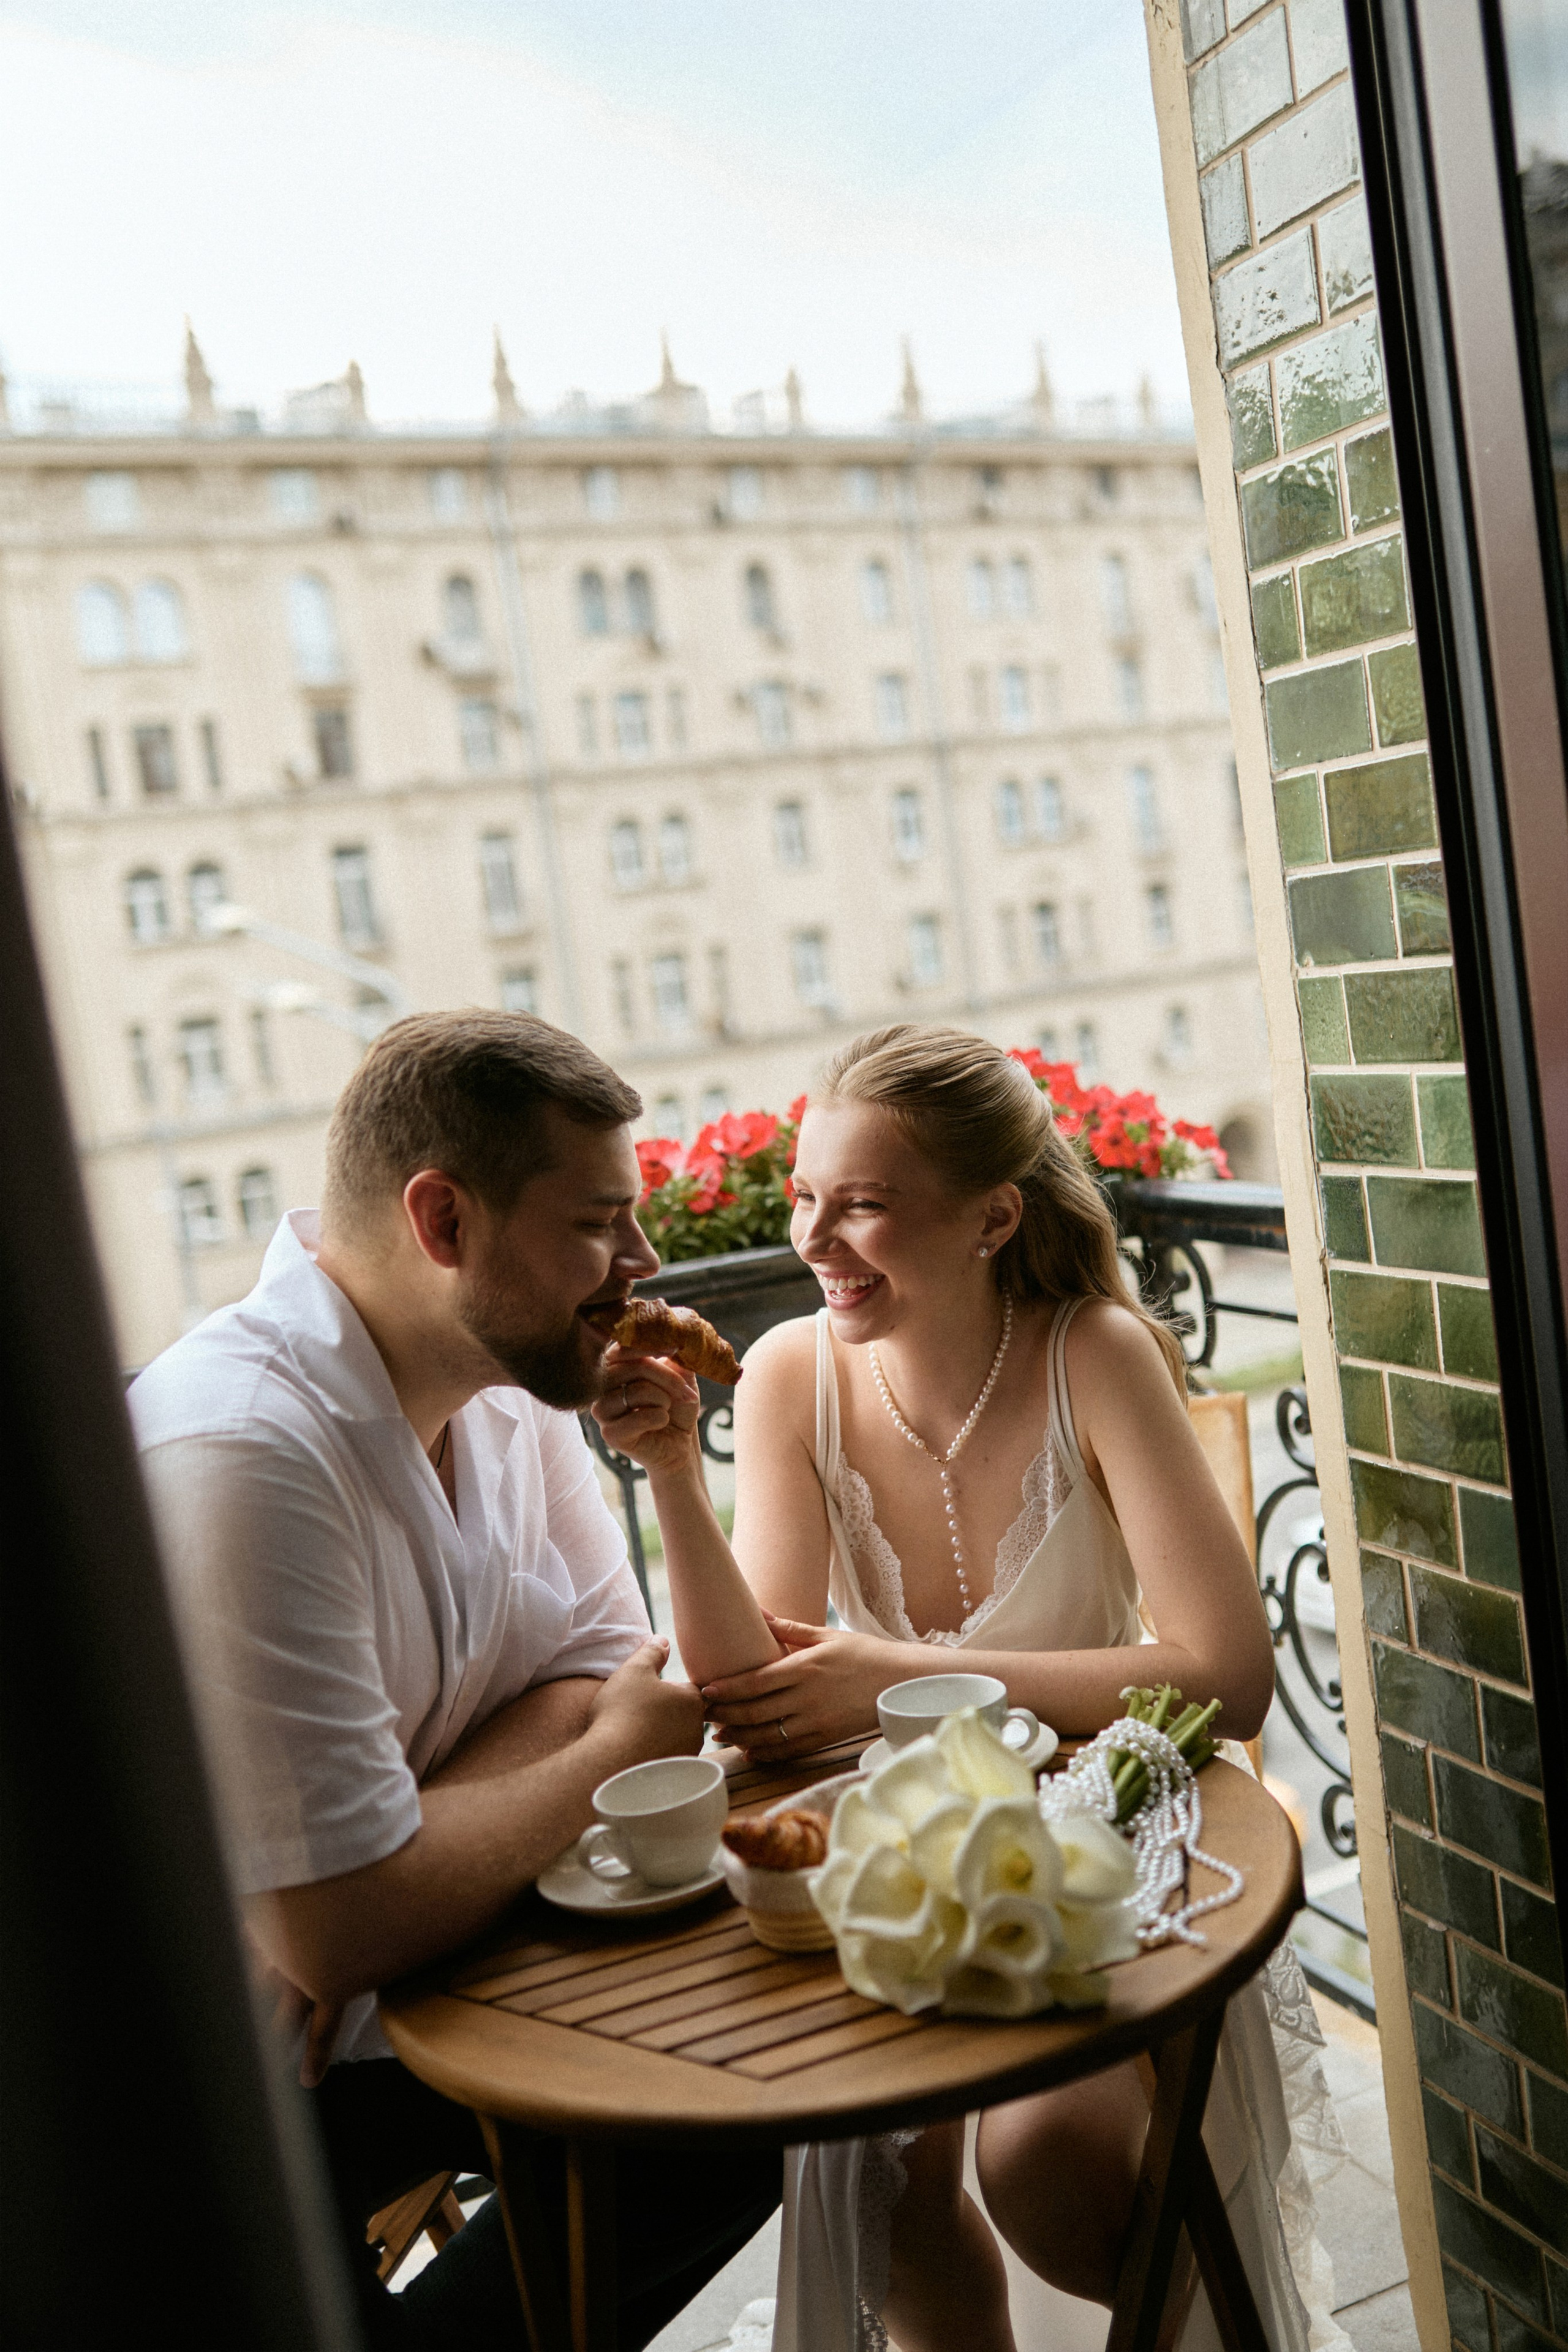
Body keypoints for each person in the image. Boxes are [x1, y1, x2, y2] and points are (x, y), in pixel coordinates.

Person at [600, 1024, 1349, 2352]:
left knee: (1047, 2166)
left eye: (863, 1204)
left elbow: (1226, 1682)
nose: (813, 1238)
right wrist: (669, 1473)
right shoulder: (789, 1377)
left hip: (1116, 1816)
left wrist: (895, 1671)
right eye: (805, 1197)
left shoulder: (1092, 1354)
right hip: (900, 1835)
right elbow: (750, 1686)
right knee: (877, 2189)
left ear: (992, 1218)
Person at [130, 1011, 780, 2351]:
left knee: (742, 2095)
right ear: (442, 1221)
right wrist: (594, 1761)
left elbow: (605, 1671)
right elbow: (347, 1934)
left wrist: (379, 1874)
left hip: (415, 1977)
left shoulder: (505, 1385)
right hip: (218, 2081)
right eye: (598, 1222)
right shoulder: (243, 1452)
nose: (643, 1264)